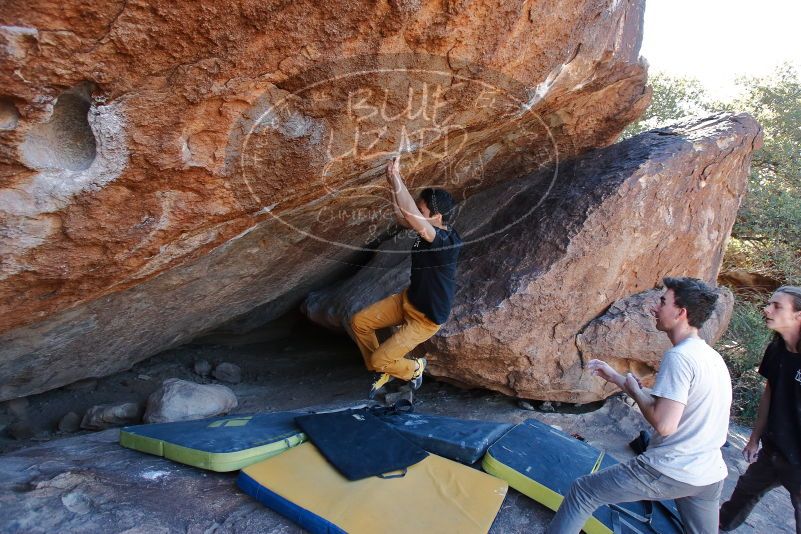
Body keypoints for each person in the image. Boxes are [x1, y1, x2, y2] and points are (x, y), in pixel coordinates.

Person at [546, 277, 732, 534]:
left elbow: (665, 424)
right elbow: (673, 407)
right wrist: (617, 379)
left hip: (672, 468)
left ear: (681, 312)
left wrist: (633, 390)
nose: (654, 307)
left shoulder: (679, 357)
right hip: (709, 474)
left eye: (663, 302)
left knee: (583, 492)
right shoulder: (711, 357)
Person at [350, 156, 462, 398]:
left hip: (425, 319)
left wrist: (398, 178)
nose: (417, 214)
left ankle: (414, 368)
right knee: (360, 322)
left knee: (381, 358)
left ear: (436, 215)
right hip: (407, 301)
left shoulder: (444, 242)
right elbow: (404, 217)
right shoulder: (432, 229)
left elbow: (411, 217)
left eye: (422, 210)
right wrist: (392, 183)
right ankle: (380, 368)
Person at [719, 285, 801, 533]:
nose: (767, 310)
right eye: (769, 303)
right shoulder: (776, 349)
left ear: (798, 315)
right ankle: (715, 527)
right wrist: (754, 438)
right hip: (773, 450)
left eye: (777, 306)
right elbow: (769, 393)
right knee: (744, 491)